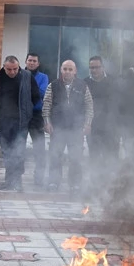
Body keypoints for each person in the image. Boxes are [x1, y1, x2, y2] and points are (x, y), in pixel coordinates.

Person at [0, 55, 41, 192]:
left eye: (15, 69)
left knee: (18, 152)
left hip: (20, 122)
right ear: (4, 67)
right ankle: (8, 180)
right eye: (9, 69)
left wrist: (26, 108)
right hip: (3, 122)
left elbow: (36, 96)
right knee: (7, 153)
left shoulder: (26, 76)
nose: (12, 72)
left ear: (19, 67)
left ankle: (17, 182)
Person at [43, 59, 93, 193]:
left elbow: (89, 107)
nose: (67, 72)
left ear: (75, 71)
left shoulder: (83, 86)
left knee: (75, 158)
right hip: (58, 128)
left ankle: (75, 184)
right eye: (65, 69)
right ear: (61, 70)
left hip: (76, 129)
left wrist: (87, 124)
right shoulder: (53, 86)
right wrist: (47, 122)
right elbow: (46, 105)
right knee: (55, 156)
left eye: (70, 69)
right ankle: (53, 182)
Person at [85, 55, 120, 182]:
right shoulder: (85, 83)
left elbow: (118, 104)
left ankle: (110, 183)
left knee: (110, 157)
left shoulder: (113, 82)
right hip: (93, 127)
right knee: (94, 156)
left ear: (103, 67)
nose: (94, 70)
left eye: (96, 67)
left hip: (111, 128)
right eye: (91, 68)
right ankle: (95, 182)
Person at [25, 53, 50, 186]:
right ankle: (15, 177)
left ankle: (39, 177)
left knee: (39, 148)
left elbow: (41, 92)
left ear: (38, 63)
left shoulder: (43, 77)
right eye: (29, 60)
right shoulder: (19, 74)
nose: (32, 63)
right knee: (16, 146)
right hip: (22, 115)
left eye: (34, 61)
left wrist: (27, 87)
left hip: (36, 115)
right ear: (26, 61)